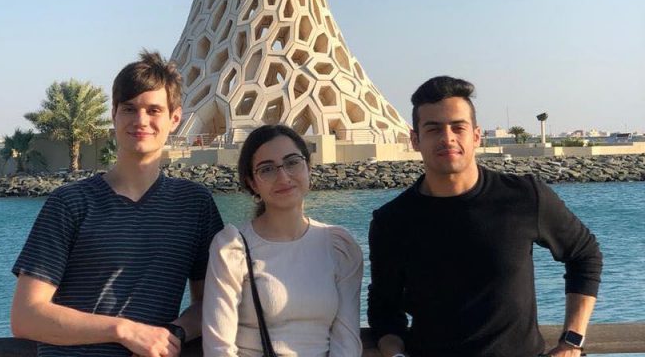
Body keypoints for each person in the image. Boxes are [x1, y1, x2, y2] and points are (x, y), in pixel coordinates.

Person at [368, 76, 603, 357]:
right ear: (415, 140)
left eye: (458, 127)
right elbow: (384, 309)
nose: (448, 138)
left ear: (476, 136)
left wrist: (571, 342)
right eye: (433, 129)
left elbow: (584, 255)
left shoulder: (524, 196)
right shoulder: (392, 221)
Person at [10, 50, 224, 357]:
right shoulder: (70, 203)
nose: (141, 121)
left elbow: (212, 302)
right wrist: (123, 330)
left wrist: (174, 332)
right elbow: (26, 316)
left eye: (154, 110)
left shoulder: (194, 205)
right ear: (114, 114)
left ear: (175, 118)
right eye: (129, 109)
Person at [202, 124, 363, 356]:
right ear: (252, 183)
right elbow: (219, 348)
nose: (283, 177)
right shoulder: (232, 247)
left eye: (292, 162)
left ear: (308, 167)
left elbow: (346, 341)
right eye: (267, 169)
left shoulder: (339, 246)